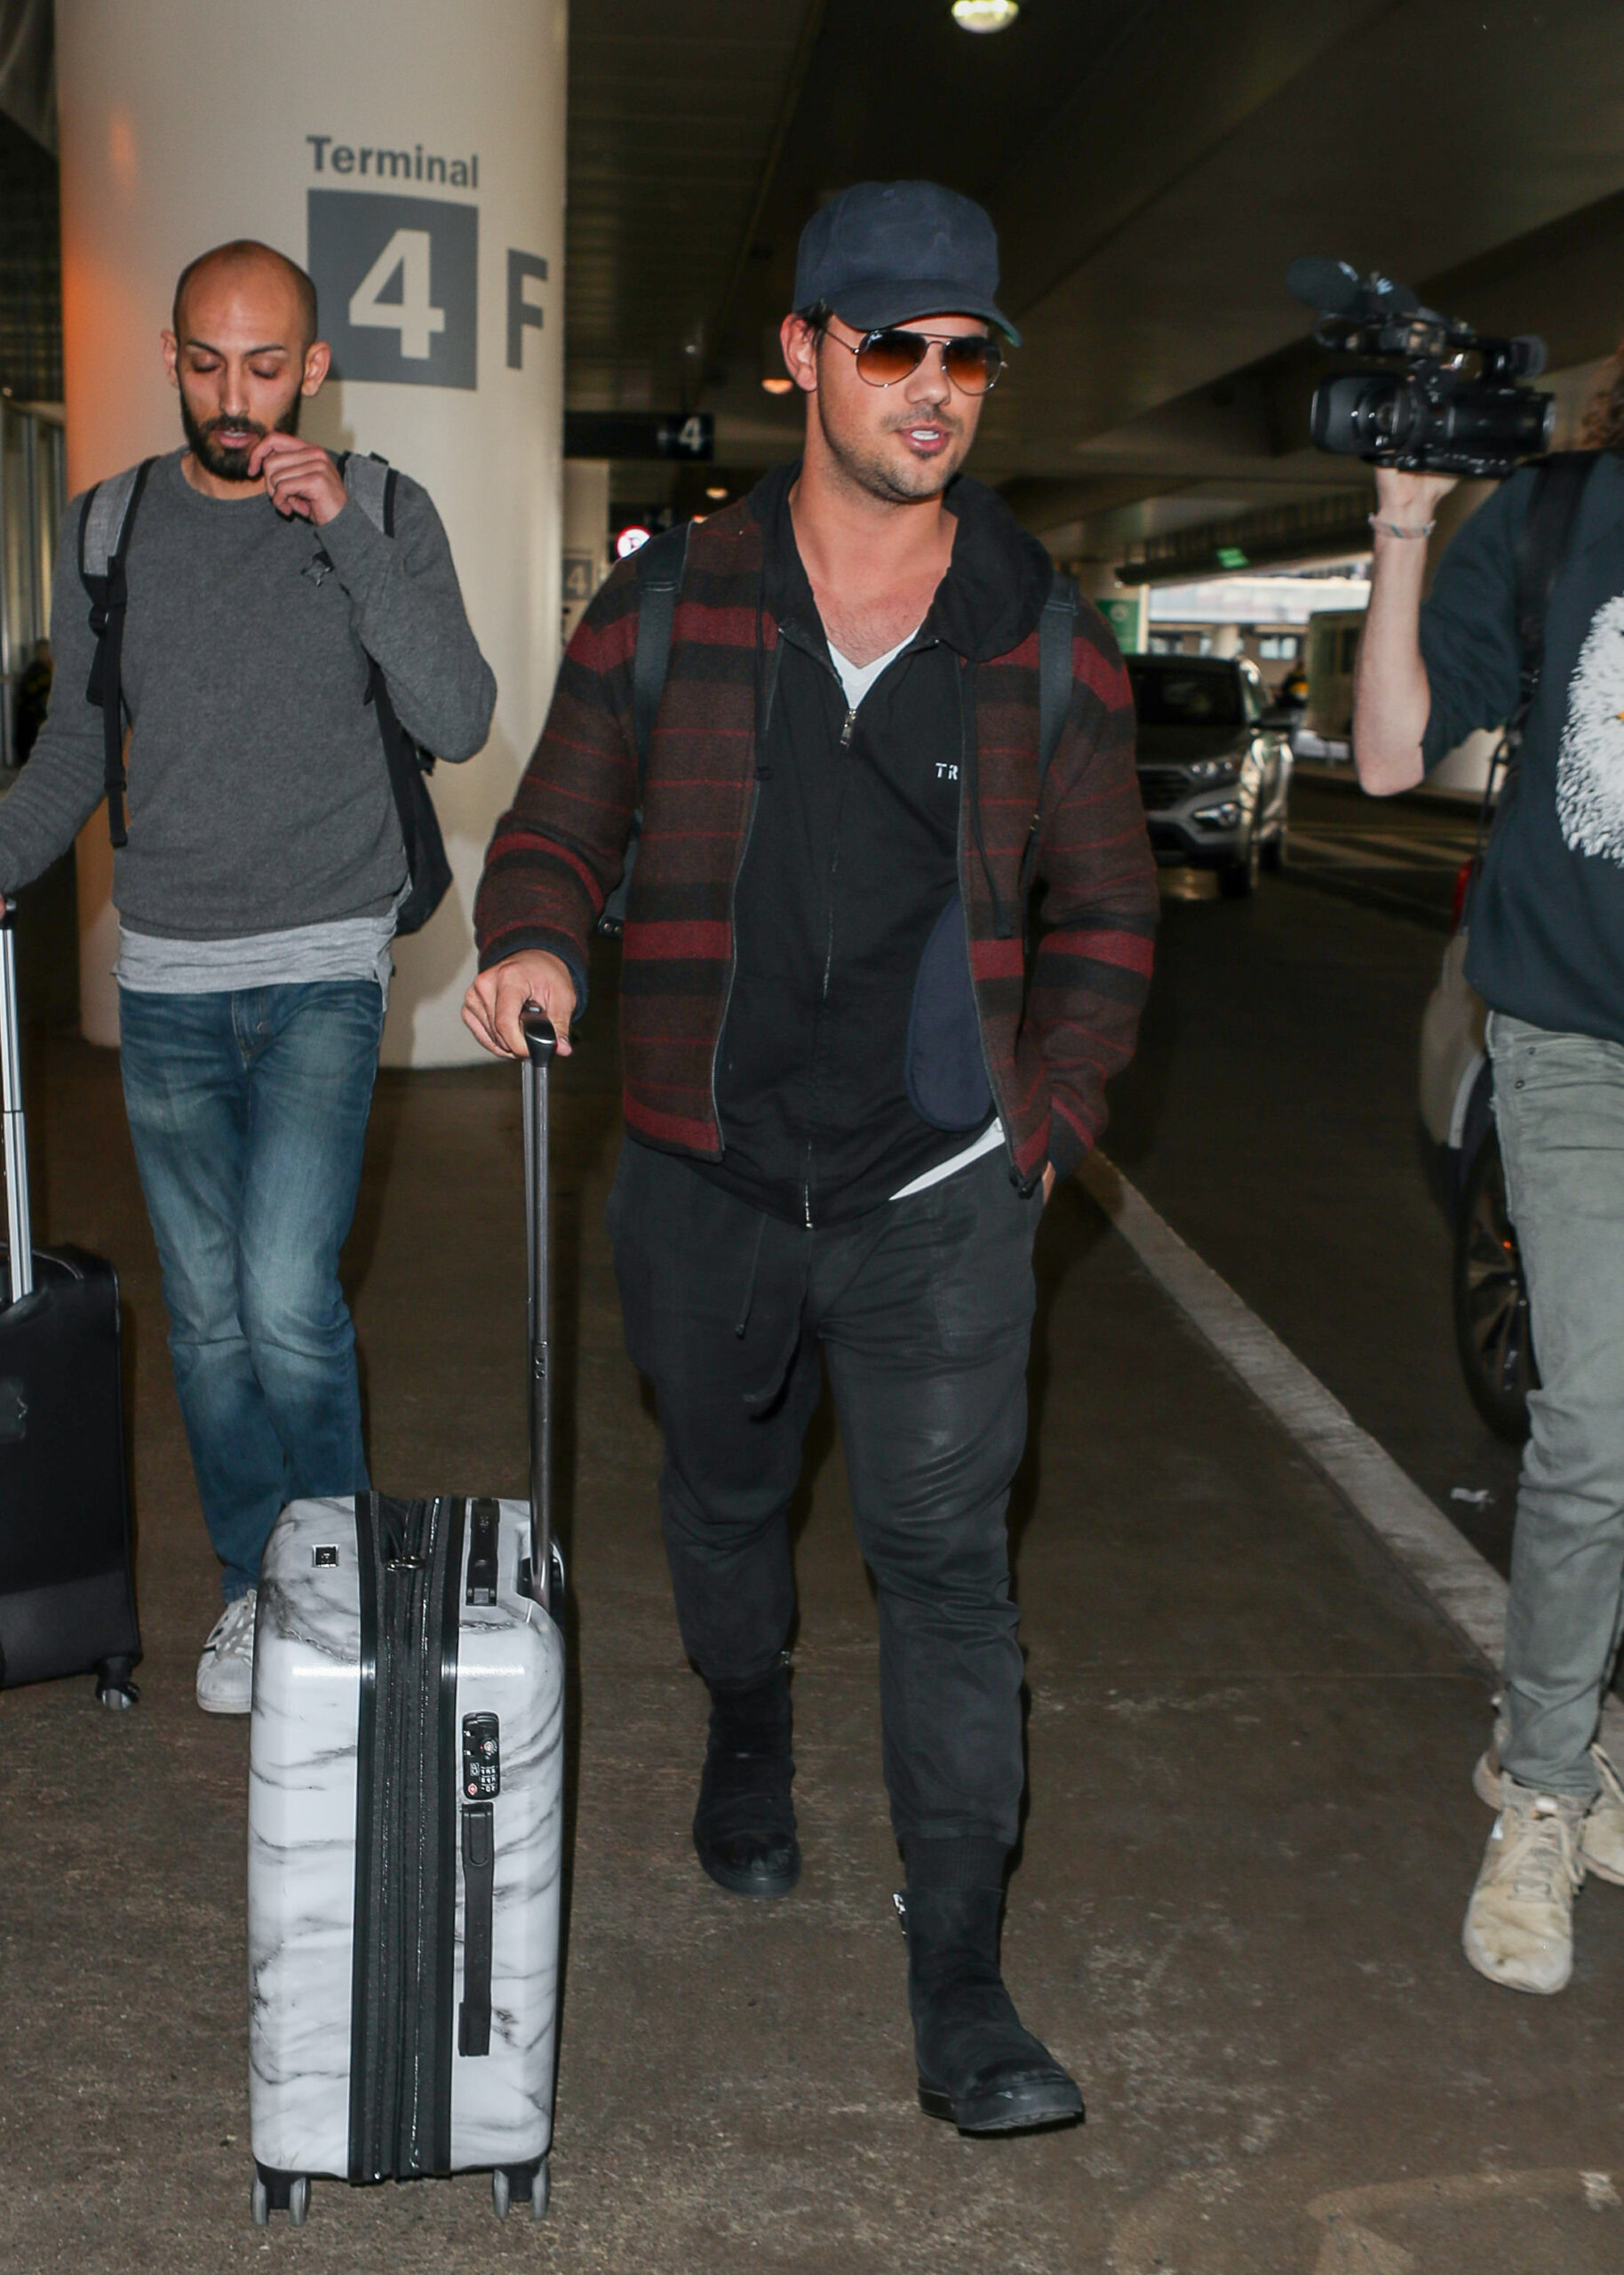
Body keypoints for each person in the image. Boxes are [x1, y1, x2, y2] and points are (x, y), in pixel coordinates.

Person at [466, 180, 1156, 2130]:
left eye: (966, 353)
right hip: (699, 1155)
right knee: (717, 1492)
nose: (934, 387)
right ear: (802, 351)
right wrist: (527, 925)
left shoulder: (1035, 625)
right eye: (892, 345)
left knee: (947, 1567)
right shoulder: (675, 597)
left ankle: (961, 1985)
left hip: (939, 1184)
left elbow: (1106, 907)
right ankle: (745, 1731)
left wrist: (1051, 1114)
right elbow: (557, 814)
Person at [0, 240, 495, 1712]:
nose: (234, 397)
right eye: (206, 364)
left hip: (324, 964)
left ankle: (334, 1585)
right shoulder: (107, 531)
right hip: (165, 979)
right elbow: (77, 757)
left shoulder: (386, 505)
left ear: (314, 368)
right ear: (168, 358)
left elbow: (458, 714)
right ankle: (248, 1590)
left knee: (285, 1300)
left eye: (264, 366)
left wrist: (341, 525)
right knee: (207, 1318)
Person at [1353, 388, 1624, 1994]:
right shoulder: (1552, 520)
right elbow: (1389, 755)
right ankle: (1539, 1786)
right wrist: (1404, 521)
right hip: (1576, 1036)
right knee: (1594, 1425)